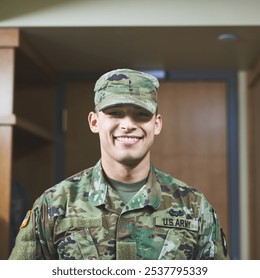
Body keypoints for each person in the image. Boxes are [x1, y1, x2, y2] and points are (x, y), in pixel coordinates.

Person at [9, 68, 229, 260]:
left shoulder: (194, 206)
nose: (128, 125)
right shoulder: (54, 204)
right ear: (94, 122)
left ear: (157, 124)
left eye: (141, 114)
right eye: (115, 113)